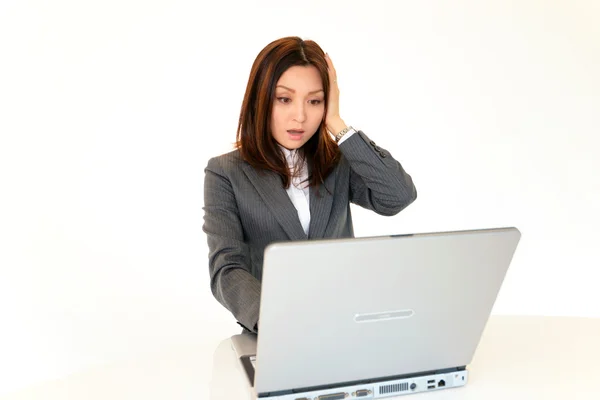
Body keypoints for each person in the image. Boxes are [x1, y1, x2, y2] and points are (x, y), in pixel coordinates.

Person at [202, 36, 417, 334]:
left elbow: (398, 196)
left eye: (314, 101)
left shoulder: (338, 162)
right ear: (260, 100)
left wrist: (337, 123)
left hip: (348, 326)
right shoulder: (226, 172)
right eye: (284, 99)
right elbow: (227, 268)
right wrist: (275, 323)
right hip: (276, 333)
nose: (300, 116)